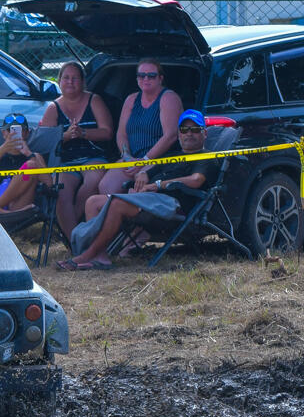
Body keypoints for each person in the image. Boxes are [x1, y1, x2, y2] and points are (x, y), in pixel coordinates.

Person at [58, 110, 216, 270]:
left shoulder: (206, 156)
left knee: (117, 203)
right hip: (149, 199)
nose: (189, 134)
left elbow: (196, 180)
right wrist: (143, 174)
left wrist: (159, 184)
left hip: (173, 205)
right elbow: (148, 172)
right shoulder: (172, 156)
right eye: (184, 129)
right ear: (179, 134)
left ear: (205, 133)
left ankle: (87, 256)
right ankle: (100, 255)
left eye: (195, 129)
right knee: (93, 202)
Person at [38, 62, 113, 235]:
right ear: (59, 81)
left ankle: (79, 231)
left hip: (93, 156)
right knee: (61, 189)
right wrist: (65, 136)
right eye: (66, 78)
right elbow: (44, 142)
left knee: (93, 182)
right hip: (66, 160)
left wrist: (83, 133)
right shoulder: (53, 108)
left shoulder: (94, 100)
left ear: (82, 81)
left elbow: (107, 132)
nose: (70, 82)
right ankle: (73, 240)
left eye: (75, 78)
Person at [98, 58, 183, 195]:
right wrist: (127, 157)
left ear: (160, 78)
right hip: (133, 158)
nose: (146, 79)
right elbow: (121, 133)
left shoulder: (168, 98)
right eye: (141, 75)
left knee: (137, 191)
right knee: (106, 187)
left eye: (151, 76)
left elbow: (170, 135)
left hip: (159, 159)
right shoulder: (131, 99)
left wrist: (144, 160)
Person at [0, 113, 50, 214]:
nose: (14, 134)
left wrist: (29, 154)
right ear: (3, 133)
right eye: (9, 130)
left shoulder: (35, 157)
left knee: (31, 166)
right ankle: (3, 211)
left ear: (27, 133)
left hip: (18, 203)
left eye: (20, 130)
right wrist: (3, 149)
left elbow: (49, 184)